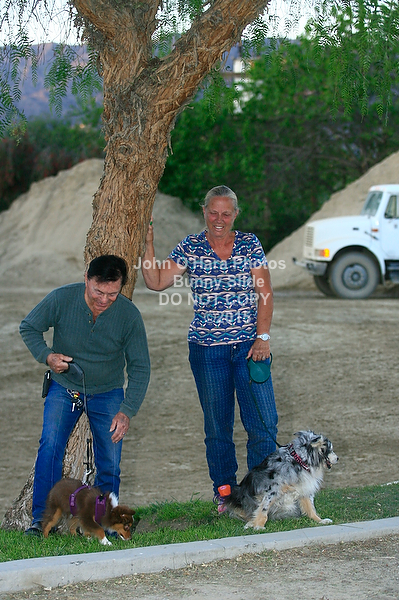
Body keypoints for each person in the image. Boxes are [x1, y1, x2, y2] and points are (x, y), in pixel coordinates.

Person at [141, 185, 278, 513]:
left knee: (264, 423)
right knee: (218, 427)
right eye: (213, 212)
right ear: (204, 211)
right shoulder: (191, 246)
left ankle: (261, 492)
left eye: (226, 213)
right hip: (207, 351)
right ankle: (226, 493)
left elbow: (265, 293)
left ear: (235, 215)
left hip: (249, 349)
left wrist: (263, 337)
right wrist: (148, 243)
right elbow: (156, 282)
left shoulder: (249, 244)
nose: (219, 219)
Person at [20, 254, 150, 535]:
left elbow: (140, 367)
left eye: (112, 294)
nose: (104, 300)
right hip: (64, 387)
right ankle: (41, 521)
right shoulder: (61, 298)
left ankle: (107, 522)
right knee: (49, 448)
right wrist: (47, 356)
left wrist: (127, 410)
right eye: (98, 291)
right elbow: (28, 327)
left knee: (110, 461)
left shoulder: (128, 315)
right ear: (86, 279)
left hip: (108, 392)